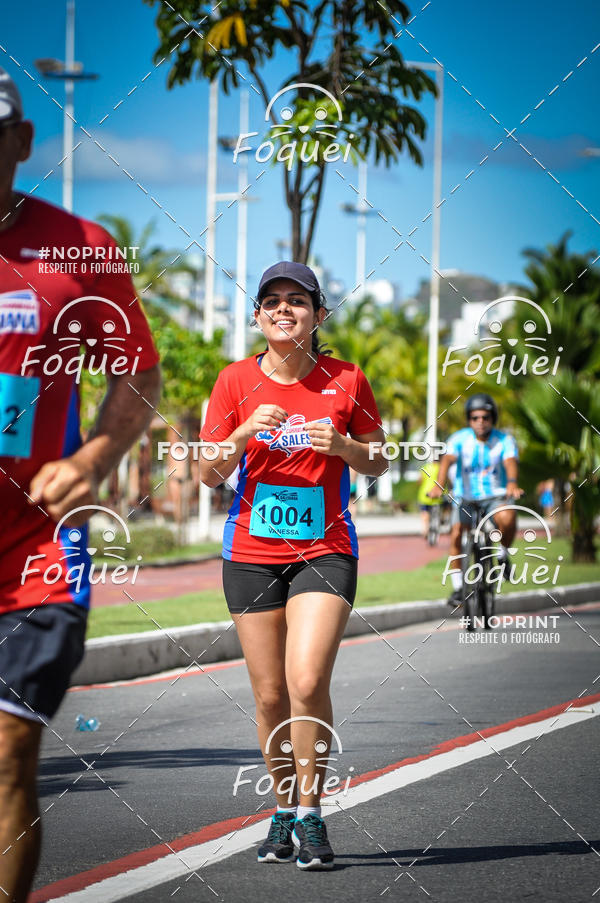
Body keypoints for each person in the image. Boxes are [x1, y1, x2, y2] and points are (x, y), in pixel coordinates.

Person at [0, 68, 161, 902]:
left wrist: (96, 456)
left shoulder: (80, 249)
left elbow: (138, 374)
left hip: (36, 551)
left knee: (6, 754)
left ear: (21, 143)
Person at [199, 261, 386, 870]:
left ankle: (310, 814)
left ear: (318, 316)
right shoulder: (233, 382)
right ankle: (281, 809)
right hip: (251, 553)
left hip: (326, 549)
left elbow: (379, 461)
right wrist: (244, 433)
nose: (285, 309)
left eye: (298, 301)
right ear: (258, 316)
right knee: (271, 693)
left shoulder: (348, 379)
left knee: (307, 681)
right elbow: (205, 471)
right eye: (273, 300)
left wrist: (347, 448)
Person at [428, 393, 523, 606]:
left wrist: (512, 482)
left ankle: (502, 555)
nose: (480, 422)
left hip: (495, 496)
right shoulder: (459, 439)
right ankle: (458, 588)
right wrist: (439, 484)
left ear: (493, 418)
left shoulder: (504, 440)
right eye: (475, 418)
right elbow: (447, 461)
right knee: (455, 534)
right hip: (466, 498)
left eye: (485, 417)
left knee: (508, 518)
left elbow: (510, 462)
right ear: (469, 419)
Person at [416, 461, 443, 540]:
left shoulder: (426, 467)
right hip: (437, 494)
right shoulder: (441, 468)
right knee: (439, 510)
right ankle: (438, 523)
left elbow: (419, 481)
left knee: (425, 513)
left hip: (425, 494)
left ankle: (425, 530)